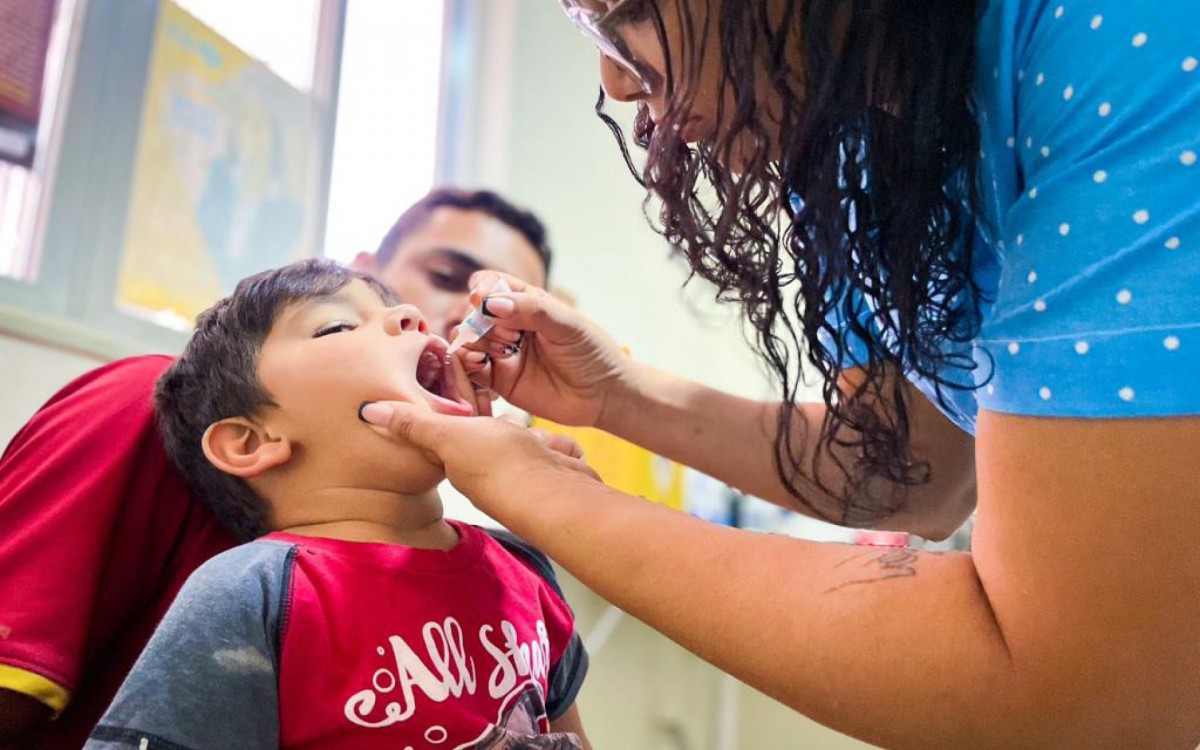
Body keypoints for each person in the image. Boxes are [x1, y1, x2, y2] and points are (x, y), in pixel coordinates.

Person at [357, 1, 1200, 747]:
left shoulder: (1132, 41)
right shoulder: (850, 140)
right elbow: (908, 469)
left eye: (629, 13)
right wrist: (617, 395)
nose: (614, 81)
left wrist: (548, 494)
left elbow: (1091, 694)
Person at [0, 187, 554, 748]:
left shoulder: (519, 569)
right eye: (443, 276)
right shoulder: (140, 405)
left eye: (507, 311)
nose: (467, 316)